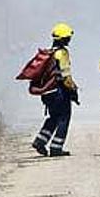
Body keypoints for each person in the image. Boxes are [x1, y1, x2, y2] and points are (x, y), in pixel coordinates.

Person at [32, 23, 79, 157]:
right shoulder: (62, 53)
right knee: (64, 117)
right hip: (59, 92)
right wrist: (73, 90)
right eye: (68, 38)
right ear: (64, 39)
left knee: (53, 117)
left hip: (48, 92)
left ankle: (40, 141)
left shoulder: (50, 53)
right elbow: (65, 76)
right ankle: (56, 148)